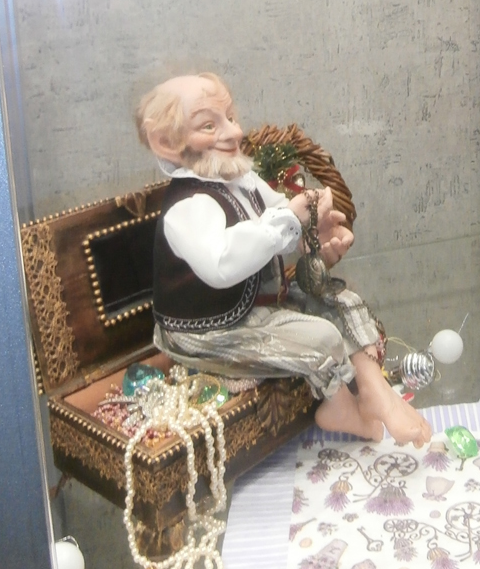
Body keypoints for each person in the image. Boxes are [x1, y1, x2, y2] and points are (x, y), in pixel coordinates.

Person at [136, 71, 431, 446]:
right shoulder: (188, 207)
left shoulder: (241, 181)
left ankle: (374, 389)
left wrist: (315, 228)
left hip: (253, 308)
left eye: (231, 117)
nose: (233, 132)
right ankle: (339, 404)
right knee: (321, 337)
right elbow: (222, 265)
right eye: (209, 126)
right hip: (206, 330)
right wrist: (290, 219)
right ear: (166, 143)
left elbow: (278, 215)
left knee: (342, 300)